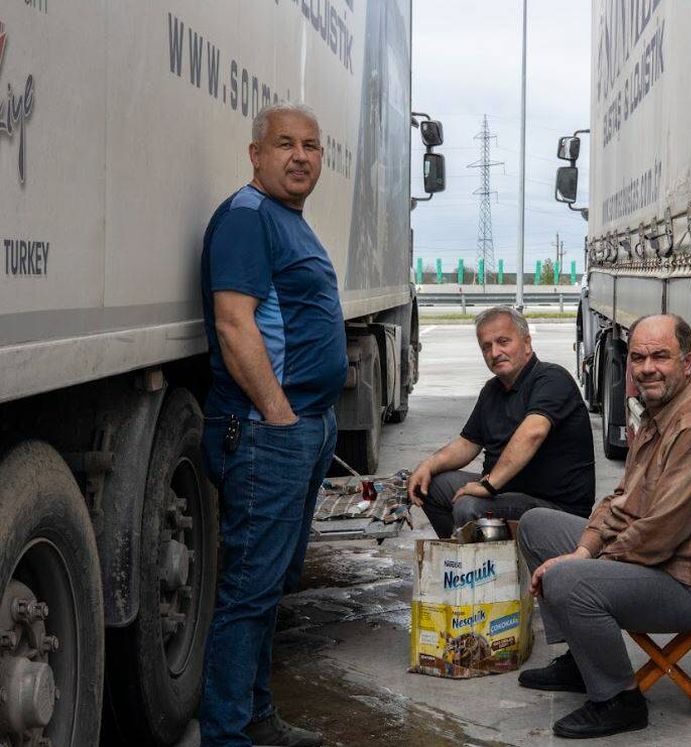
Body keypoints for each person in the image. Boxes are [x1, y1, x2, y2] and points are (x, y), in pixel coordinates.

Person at [516, 314, 691, 739]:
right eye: (639, 357)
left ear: (688, 363)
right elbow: (619, 501)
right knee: (536, 525)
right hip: (654, 562)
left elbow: (660, 532)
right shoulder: (657, 416)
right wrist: (584, 549)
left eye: (661, 356)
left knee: (569, 581)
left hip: (690, 583)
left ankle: (619, 699)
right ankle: (582, 660)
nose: (647, 367)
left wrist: (579, 565)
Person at [198, 102, 346, 747]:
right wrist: (280, 417)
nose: (300, 156)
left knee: (271, 588)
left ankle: (258, 720)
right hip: (269, 432)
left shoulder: (289, 221)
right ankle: (228, 737)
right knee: (249, 593)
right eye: (284, 143)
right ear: (255, 154)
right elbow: (235, 323)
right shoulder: (246, 218)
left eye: (311, 146)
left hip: (303, 426)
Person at [407, 306, 596, 538]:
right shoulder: (492, 390)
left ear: (527, 343)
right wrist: (427, 465)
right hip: (507, 493)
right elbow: (467, 443)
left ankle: (482, 569)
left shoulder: (552, 379)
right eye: (487, 346)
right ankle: (460, 557)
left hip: (554, 507)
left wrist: (488, 485)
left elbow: (532, 432)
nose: (495, 352)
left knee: (469, 506)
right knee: (429, 485)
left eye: (503, 342)